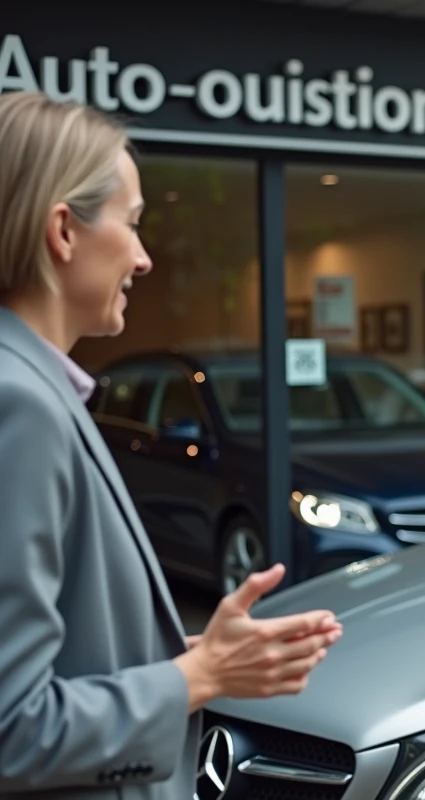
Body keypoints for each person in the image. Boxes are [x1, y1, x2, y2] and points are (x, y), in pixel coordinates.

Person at [0, 91, 343, 798]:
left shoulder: (34, 392)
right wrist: (201, 676)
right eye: (131, 225)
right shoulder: (20, 406)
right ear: (62, 231)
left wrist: (186, 658)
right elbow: (12, 730)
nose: (145, 258)